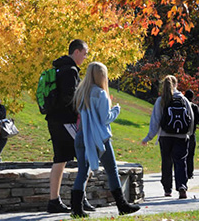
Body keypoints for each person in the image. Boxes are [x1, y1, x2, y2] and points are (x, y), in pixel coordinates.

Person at [71, 62, 140, 218]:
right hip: (98, 138)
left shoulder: (81, 92)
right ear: (102, 76)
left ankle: (76, 209)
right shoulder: (101, 94)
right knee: (112, 170)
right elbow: (105, 118)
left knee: (82, 171)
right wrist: (116, 109)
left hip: (82, 135)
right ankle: (122, 205)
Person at [46, 39, 96, 213]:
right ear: (76, 52)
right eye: (85, 53)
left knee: (60, 159)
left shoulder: (58, 68)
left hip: (54, 120)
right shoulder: (71, 71)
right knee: (86, 157)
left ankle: (54, 201)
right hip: (67, 121)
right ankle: (79, 200)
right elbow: (70, 97)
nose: (85, 56)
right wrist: (81, 112)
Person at [142, 75, 194, 199]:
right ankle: (181, 186)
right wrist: (189, 133)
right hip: (181, 136)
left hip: (165, 136)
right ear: (176, 85)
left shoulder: (162, 100)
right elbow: (190, 118)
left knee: (166, 161)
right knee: (181, 161)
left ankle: (167, 189)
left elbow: (155, 120)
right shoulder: (184, 100)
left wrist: (148, 137)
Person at [185, 89, 199, 179]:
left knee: (183, 155)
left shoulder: (183, 106)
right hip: (192, 133)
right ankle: (190, 173)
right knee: (190, 154)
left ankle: (183, 172)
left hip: (182, 134)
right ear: (192, 97)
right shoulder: (194, 107)